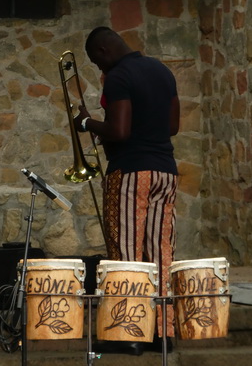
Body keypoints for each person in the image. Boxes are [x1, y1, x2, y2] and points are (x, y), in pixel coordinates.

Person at [74, 27, 180, 355]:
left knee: (126, 251)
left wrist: (86, 123)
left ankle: (127, 333)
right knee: (160, 253)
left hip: (132, 172)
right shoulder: (162, 70)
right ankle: (162, 332)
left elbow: (119, 130)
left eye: (96, 61)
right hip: (166, 171)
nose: (99, 69)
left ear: (105, 50)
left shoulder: (119, 76)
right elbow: (173, 126)